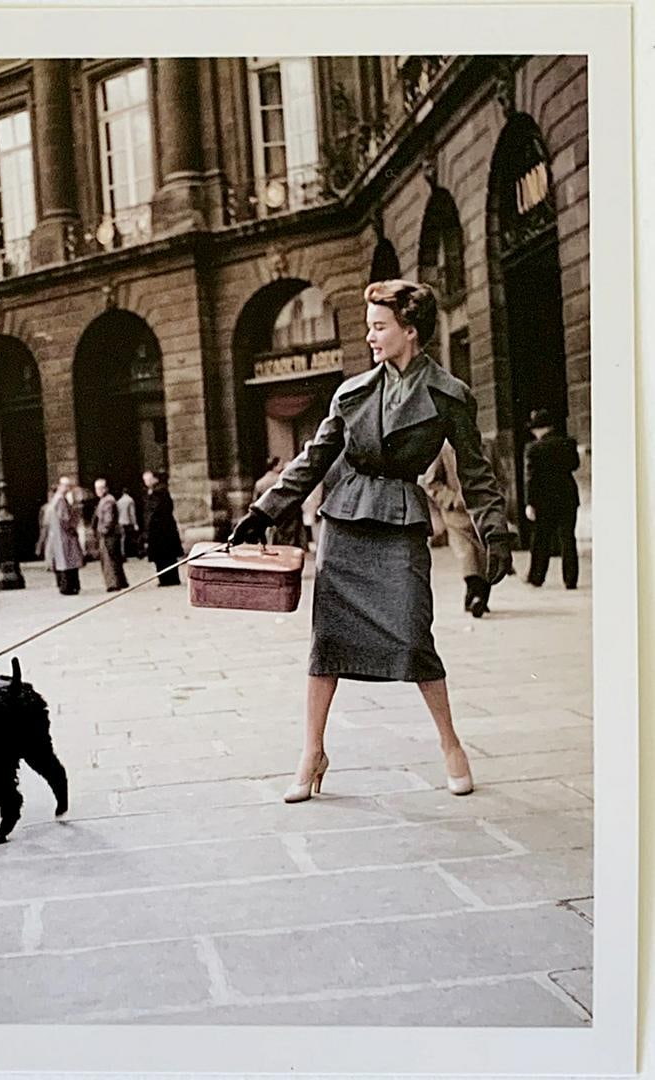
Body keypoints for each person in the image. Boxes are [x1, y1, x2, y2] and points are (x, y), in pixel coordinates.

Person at [230, 279, 513, 804]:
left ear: (410, 331)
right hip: (346, 523)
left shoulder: (451, 396)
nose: (370, 336)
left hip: (400, 523)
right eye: (369, 326)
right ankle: (312, 751)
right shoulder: (351, 392)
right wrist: (263, 512)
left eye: (379, 327)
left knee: (412, 634)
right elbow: (313, 459)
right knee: (328, 643)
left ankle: (451, 745)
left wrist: (493, 529)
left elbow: (475, 473)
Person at [422, 441, 492, 617]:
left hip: (483, 508)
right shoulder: (444, 449)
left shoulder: (485, 446)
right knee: (467, 551)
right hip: (457, 512)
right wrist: (451, 499)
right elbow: (431, 483)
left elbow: (498, 475)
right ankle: (475, 594)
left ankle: (479, 596)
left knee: (485, 552)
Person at [524, 408, 581, 589]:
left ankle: (537, 577)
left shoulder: (534, 448)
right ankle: (570, 579)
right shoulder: (568, 443)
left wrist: (530, 503)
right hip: (568, 496)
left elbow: (531, 480)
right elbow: (575, 465)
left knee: (541, 539)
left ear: (540, 429)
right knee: (568, 538)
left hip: (544, 499)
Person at [142, 469, 184, 586]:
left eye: (148, 479)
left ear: (154, 479)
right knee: (161, 557)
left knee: (165, 556)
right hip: (159, 531)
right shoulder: (153, 492)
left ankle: (169, 579)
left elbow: (155, 511)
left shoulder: (159, 492)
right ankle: (165, 579)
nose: (146, 482)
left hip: (162, 531)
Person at [91, 478, 129, 592]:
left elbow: (108, 519)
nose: (97, 491)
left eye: (100, 488)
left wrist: (103, 530)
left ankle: (113, 583)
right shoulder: (106, 500)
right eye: (96, 488)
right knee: (113, 558)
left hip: (108, 535)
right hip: (109, 534)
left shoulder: (107, 501)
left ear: (105, 488)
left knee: (108, 559)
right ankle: (120, 581)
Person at [47, 476, 83, 595]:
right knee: (69, 561)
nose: (68, 488)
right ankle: (69, 586)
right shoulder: (61, 500)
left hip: (58, 535)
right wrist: (73, 526)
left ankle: (66, 586)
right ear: (60, 486)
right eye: (66, 486)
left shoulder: (54, 500)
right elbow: (65, 519)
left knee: (63, 561)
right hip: (65, 536)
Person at [116, 486, 141, 559]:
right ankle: (134, 552)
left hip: (120, 521)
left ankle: (123, 553)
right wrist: (135, 523)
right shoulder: (130, 500)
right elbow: (132, 513)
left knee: (122, 539)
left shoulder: (119, 501)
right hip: (128, 521)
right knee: (132, 537)